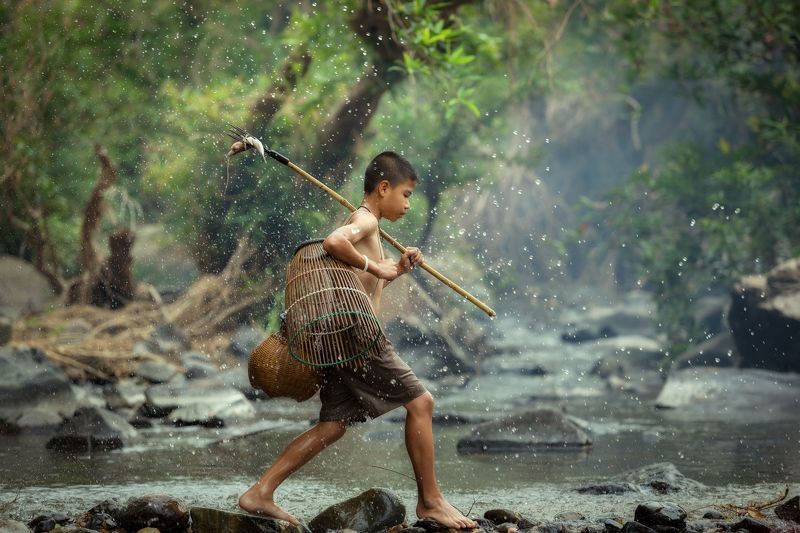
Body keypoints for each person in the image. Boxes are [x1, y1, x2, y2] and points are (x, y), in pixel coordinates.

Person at [238, 151, 477, 530]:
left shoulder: (370, 225)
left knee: (332, 425)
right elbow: (333, 242)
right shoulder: (364, 220)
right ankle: (430, 501)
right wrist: (374, 264)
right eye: (406, 193)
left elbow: (370, 282)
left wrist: (396, 268)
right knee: (421, 403)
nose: (408, 203)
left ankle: (260, 492)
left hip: (343, 342)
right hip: (358, 338)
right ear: (384, 188)